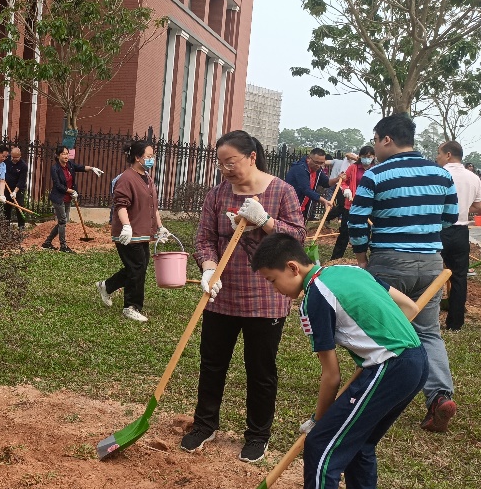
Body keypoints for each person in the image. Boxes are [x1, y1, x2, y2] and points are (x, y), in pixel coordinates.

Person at [251, 233, 427, 489]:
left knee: (321, 448)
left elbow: (330, 375)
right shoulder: (349, 270)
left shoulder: (315, 297)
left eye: (273, 281)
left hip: (387, 368)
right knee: (359, 446)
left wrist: (319, 421)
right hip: (415, 361)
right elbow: (410, 308)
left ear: (292, 267)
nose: (275, 289)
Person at [182, 130, 306, 461]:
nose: (225, 169)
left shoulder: (282, 191)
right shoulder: (218, 195)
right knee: (212, 364)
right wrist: (209, 269)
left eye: (231, 162)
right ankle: (205, 424)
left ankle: (257, 434)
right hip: (222, 295)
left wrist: (265, 221)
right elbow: (205, 238)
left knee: (260, 368)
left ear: (251, 157)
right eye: (221, 164)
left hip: (266, 298)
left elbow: (297, 239)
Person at [348, 113, 460, 433]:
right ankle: (439, 396)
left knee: (379, 331)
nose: (373, 147)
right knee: (427, 332)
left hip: (389, 263)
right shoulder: (440, 175)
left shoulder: (375, 175)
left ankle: (371, 395)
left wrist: (361, 259)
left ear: (386, 139)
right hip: (430, 265)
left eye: (374, 140)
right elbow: (450, 219)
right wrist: (422, 234)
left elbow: (357, 222)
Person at [96, 140, 167, 322]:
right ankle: (131, 306)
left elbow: (154, 208)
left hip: (142, 232)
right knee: (137, 267)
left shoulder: (147, 178)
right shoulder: (126, 178)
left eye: (153, 156)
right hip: (128, 233)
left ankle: (107, 286)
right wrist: (126, 226)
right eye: (149, 157)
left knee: (138, 266)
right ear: (137, 157)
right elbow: (121, 205)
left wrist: (160, 228)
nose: (152, 160)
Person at [437, 141, 481, 331]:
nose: (437, 157)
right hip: (461, 232)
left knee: (430, 274)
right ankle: (455, 323)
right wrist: (462, 210)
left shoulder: (438, 173)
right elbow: (480, 207)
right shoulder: (473, 178)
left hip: (438, 229)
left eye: (439, 154)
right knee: (459, 277)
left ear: (448, 155)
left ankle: (426, 319)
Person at [43, 146, 104, 252]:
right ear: (58, 156)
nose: (66, 156)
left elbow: (81, 167)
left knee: (63, 221)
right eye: (63, 154)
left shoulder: (70, 165)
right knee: (62, 220)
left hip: (68, 198)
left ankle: (47, 242)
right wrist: (72, 191)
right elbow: (58, 185)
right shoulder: (55, 168)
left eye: (67, 153)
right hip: (58, 198)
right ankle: (63, 246)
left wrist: (92, 168)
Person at [329, 146, 375, 261]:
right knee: (345, 232)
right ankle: (335, 259)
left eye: (369, 157)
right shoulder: (353, 168)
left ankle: (367, 259)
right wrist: (346, 189)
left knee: (367, 232)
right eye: (364, 156)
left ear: (373, 157)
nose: (366, 159)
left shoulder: (376, 169)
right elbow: (343, 181)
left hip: (369, 206)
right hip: (351, 205)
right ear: (360, 157)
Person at [284, 148, 332, 222]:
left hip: (302, 209)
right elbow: (305, 189)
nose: (318, 165)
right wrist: (323, 200)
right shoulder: (300, 168)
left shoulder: (317, 170)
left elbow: (326, 183)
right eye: (316, 162)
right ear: (309, 158)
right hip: (290, 207)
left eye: (321, 163)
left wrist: (338, 178)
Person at [4, 146, 29, 229]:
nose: (14, 159)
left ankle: (21, 226)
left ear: (20, 156)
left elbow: (21, 181)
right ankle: (5, 225)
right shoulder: (6, 161)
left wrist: (15, 192)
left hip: (19, 189)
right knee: (7, 207)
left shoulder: (23, 166)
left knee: (19, 206)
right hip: (7, 187)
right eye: (13, 157)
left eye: (16, 157)